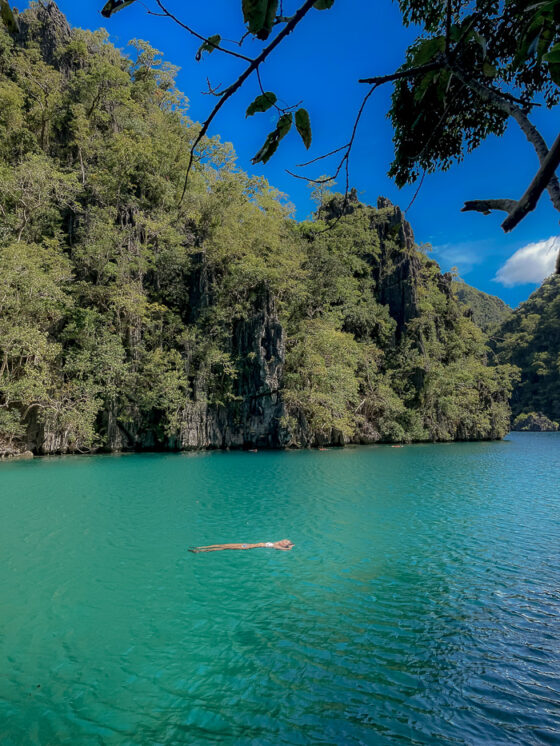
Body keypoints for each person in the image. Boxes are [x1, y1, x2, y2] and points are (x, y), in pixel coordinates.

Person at [189, 539, 294, 553]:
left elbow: (286, 549)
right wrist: (289, 544)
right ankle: (200, 547)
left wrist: (290, 547)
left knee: (224, 547)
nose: (284, 540)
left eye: (286, 541)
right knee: (224, 544)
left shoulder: (277, 546)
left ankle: (200, 551)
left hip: (246, 547)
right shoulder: (276, 542)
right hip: (247, 544)